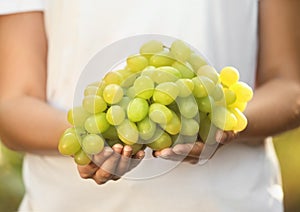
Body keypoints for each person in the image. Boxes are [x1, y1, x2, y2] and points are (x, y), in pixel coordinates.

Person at [0, 0, 299, 211]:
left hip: (233, 204)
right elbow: (13, 105)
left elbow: (290, 87)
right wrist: (95, 136)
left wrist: (223, 124)